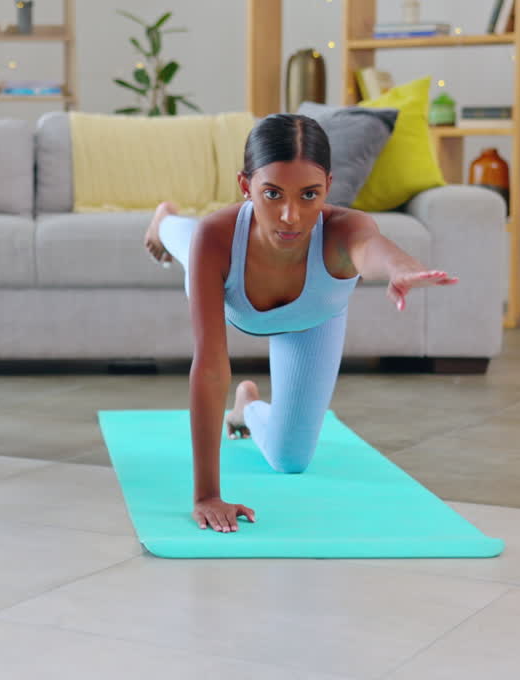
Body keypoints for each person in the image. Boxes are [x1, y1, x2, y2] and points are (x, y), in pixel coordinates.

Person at [141, 113, 457, 534]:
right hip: (221, 266)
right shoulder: (217, 238)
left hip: (311, 322)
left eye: (309, 195)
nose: (290, 215)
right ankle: (164, 220)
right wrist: (206, 495)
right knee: (187, 237)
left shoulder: (346, 231)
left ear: (328, 184)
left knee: (291, 460)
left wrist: (402, 269)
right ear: (245, 186)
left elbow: (376, 250)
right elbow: (211, 366)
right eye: (272, 193)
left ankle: (248, 406)